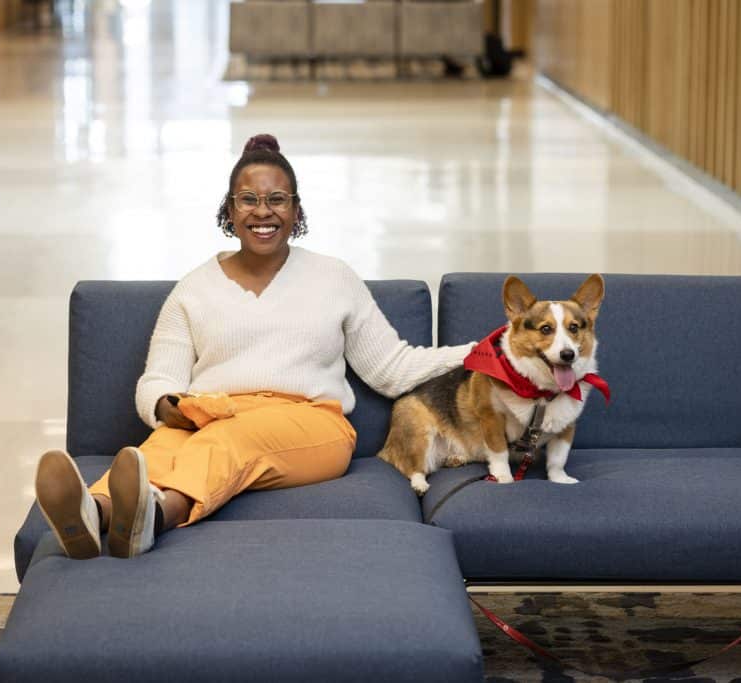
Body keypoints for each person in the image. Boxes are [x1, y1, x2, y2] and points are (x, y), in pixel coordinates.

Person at [34, 133, 472, 560]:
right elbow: (158, 380)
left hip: (312, 424)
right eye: (249, 199)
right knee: (161, 447)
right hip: (213, 413)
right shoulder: (194, 288)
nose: (263, 212)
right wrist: (170, 407)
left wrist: (483, 351)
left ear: (296, 209)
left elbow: (392, 368)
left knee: (227, 440)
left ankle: (155, 519)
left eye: (277, 199)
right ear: (230, 209)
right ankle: (95, 513)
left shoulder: (334, 277)